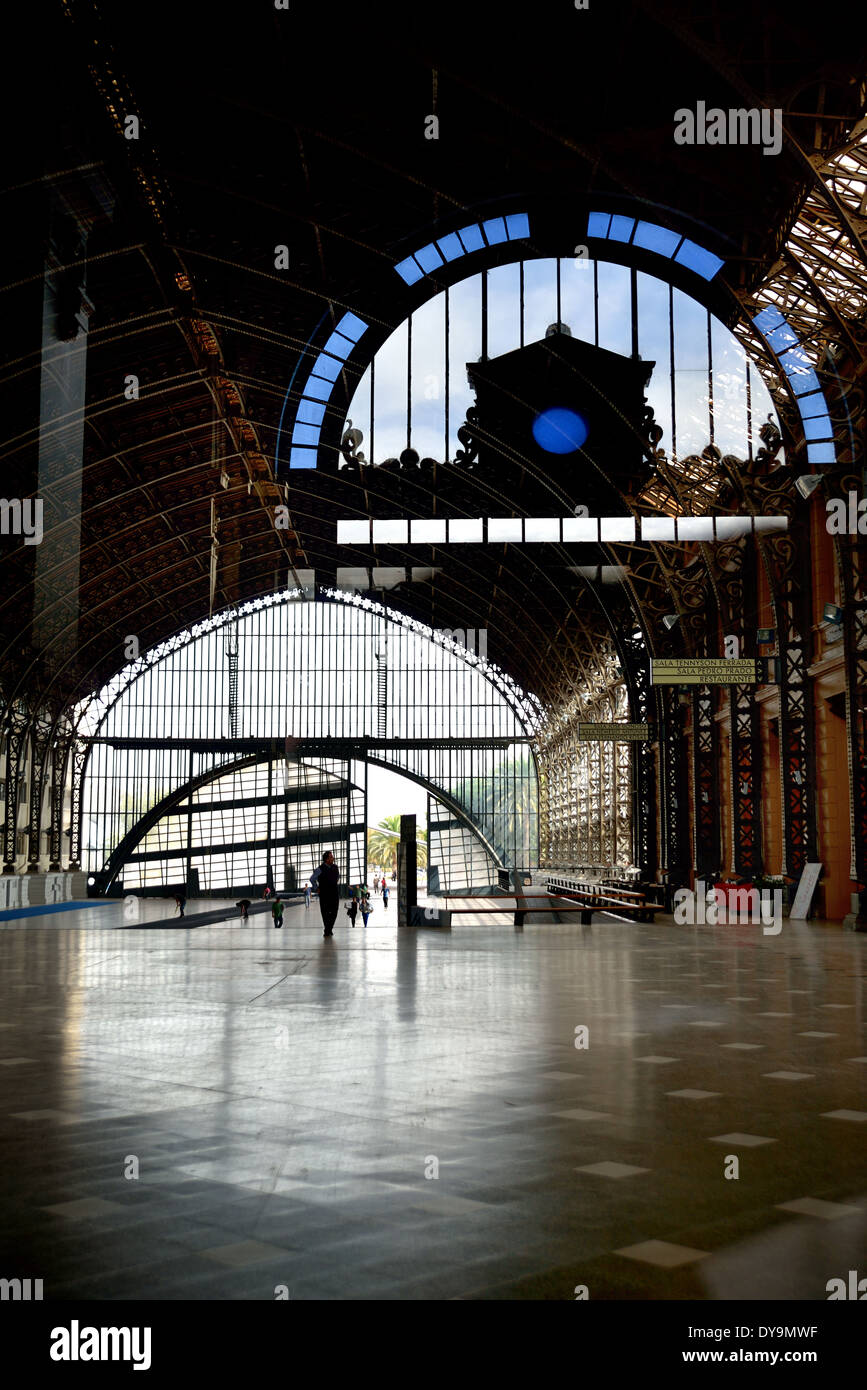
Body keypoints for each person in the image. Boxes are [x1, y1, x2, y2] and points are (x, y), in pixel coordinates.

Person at [317, 851, 340, 937]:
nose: (333, 858)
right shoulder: (320, 869)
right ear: (326, 859)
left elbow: (337, 877)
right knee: (325, 912)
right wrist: (317, 888)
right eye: (331, 857)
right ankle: (328, 930)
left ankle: (328, 929)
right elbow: (312, 878)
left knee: (334, 911)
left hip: (334, 893)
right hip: (324, 894)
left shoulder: (335, 867)